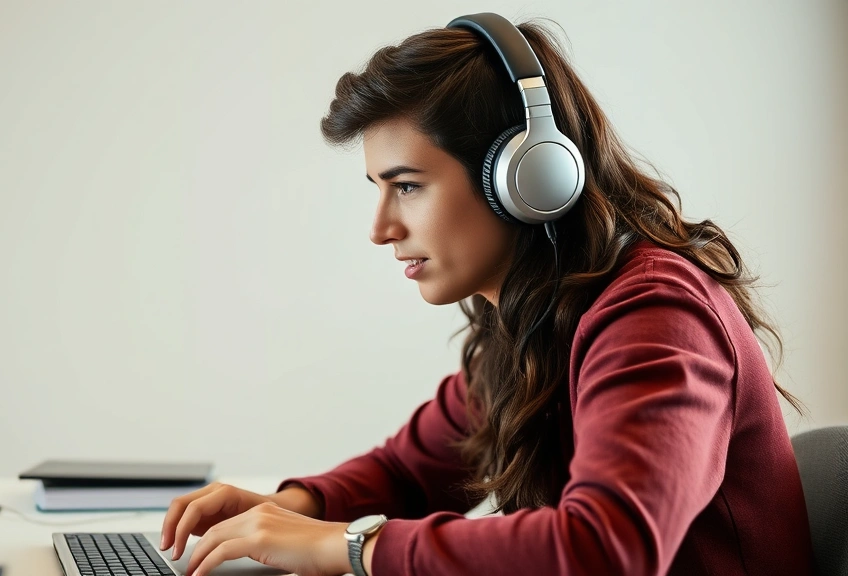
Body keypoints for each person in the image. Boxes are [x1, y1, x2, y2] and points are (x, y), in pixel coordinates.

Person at [159, 14, 815, 576]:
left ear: (528, 178)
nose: (381, 228)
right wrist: (288, 508)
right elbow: (409, 471)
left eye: (408, 186)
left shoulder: (656, 318)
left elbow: (607, 552)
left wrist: (348, 547)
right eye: (377, 188)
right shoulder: (539, 317)